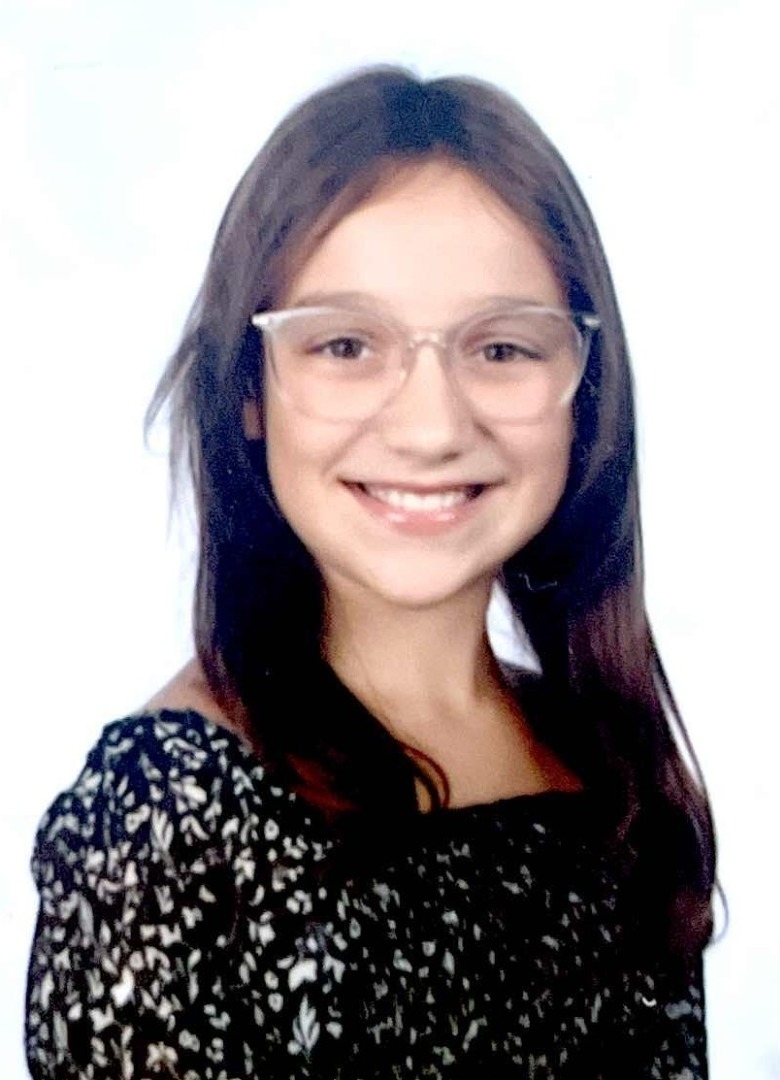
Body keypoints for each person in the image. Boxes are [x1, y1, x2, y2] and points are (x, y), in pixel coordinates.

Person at [25, 67, 716, 1079]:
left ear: (585, 387)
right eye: (346, 344)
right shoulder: (167, 822)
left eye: (502, 348)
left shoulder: (611, 765)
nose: (432, 427)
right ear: (248, 388)